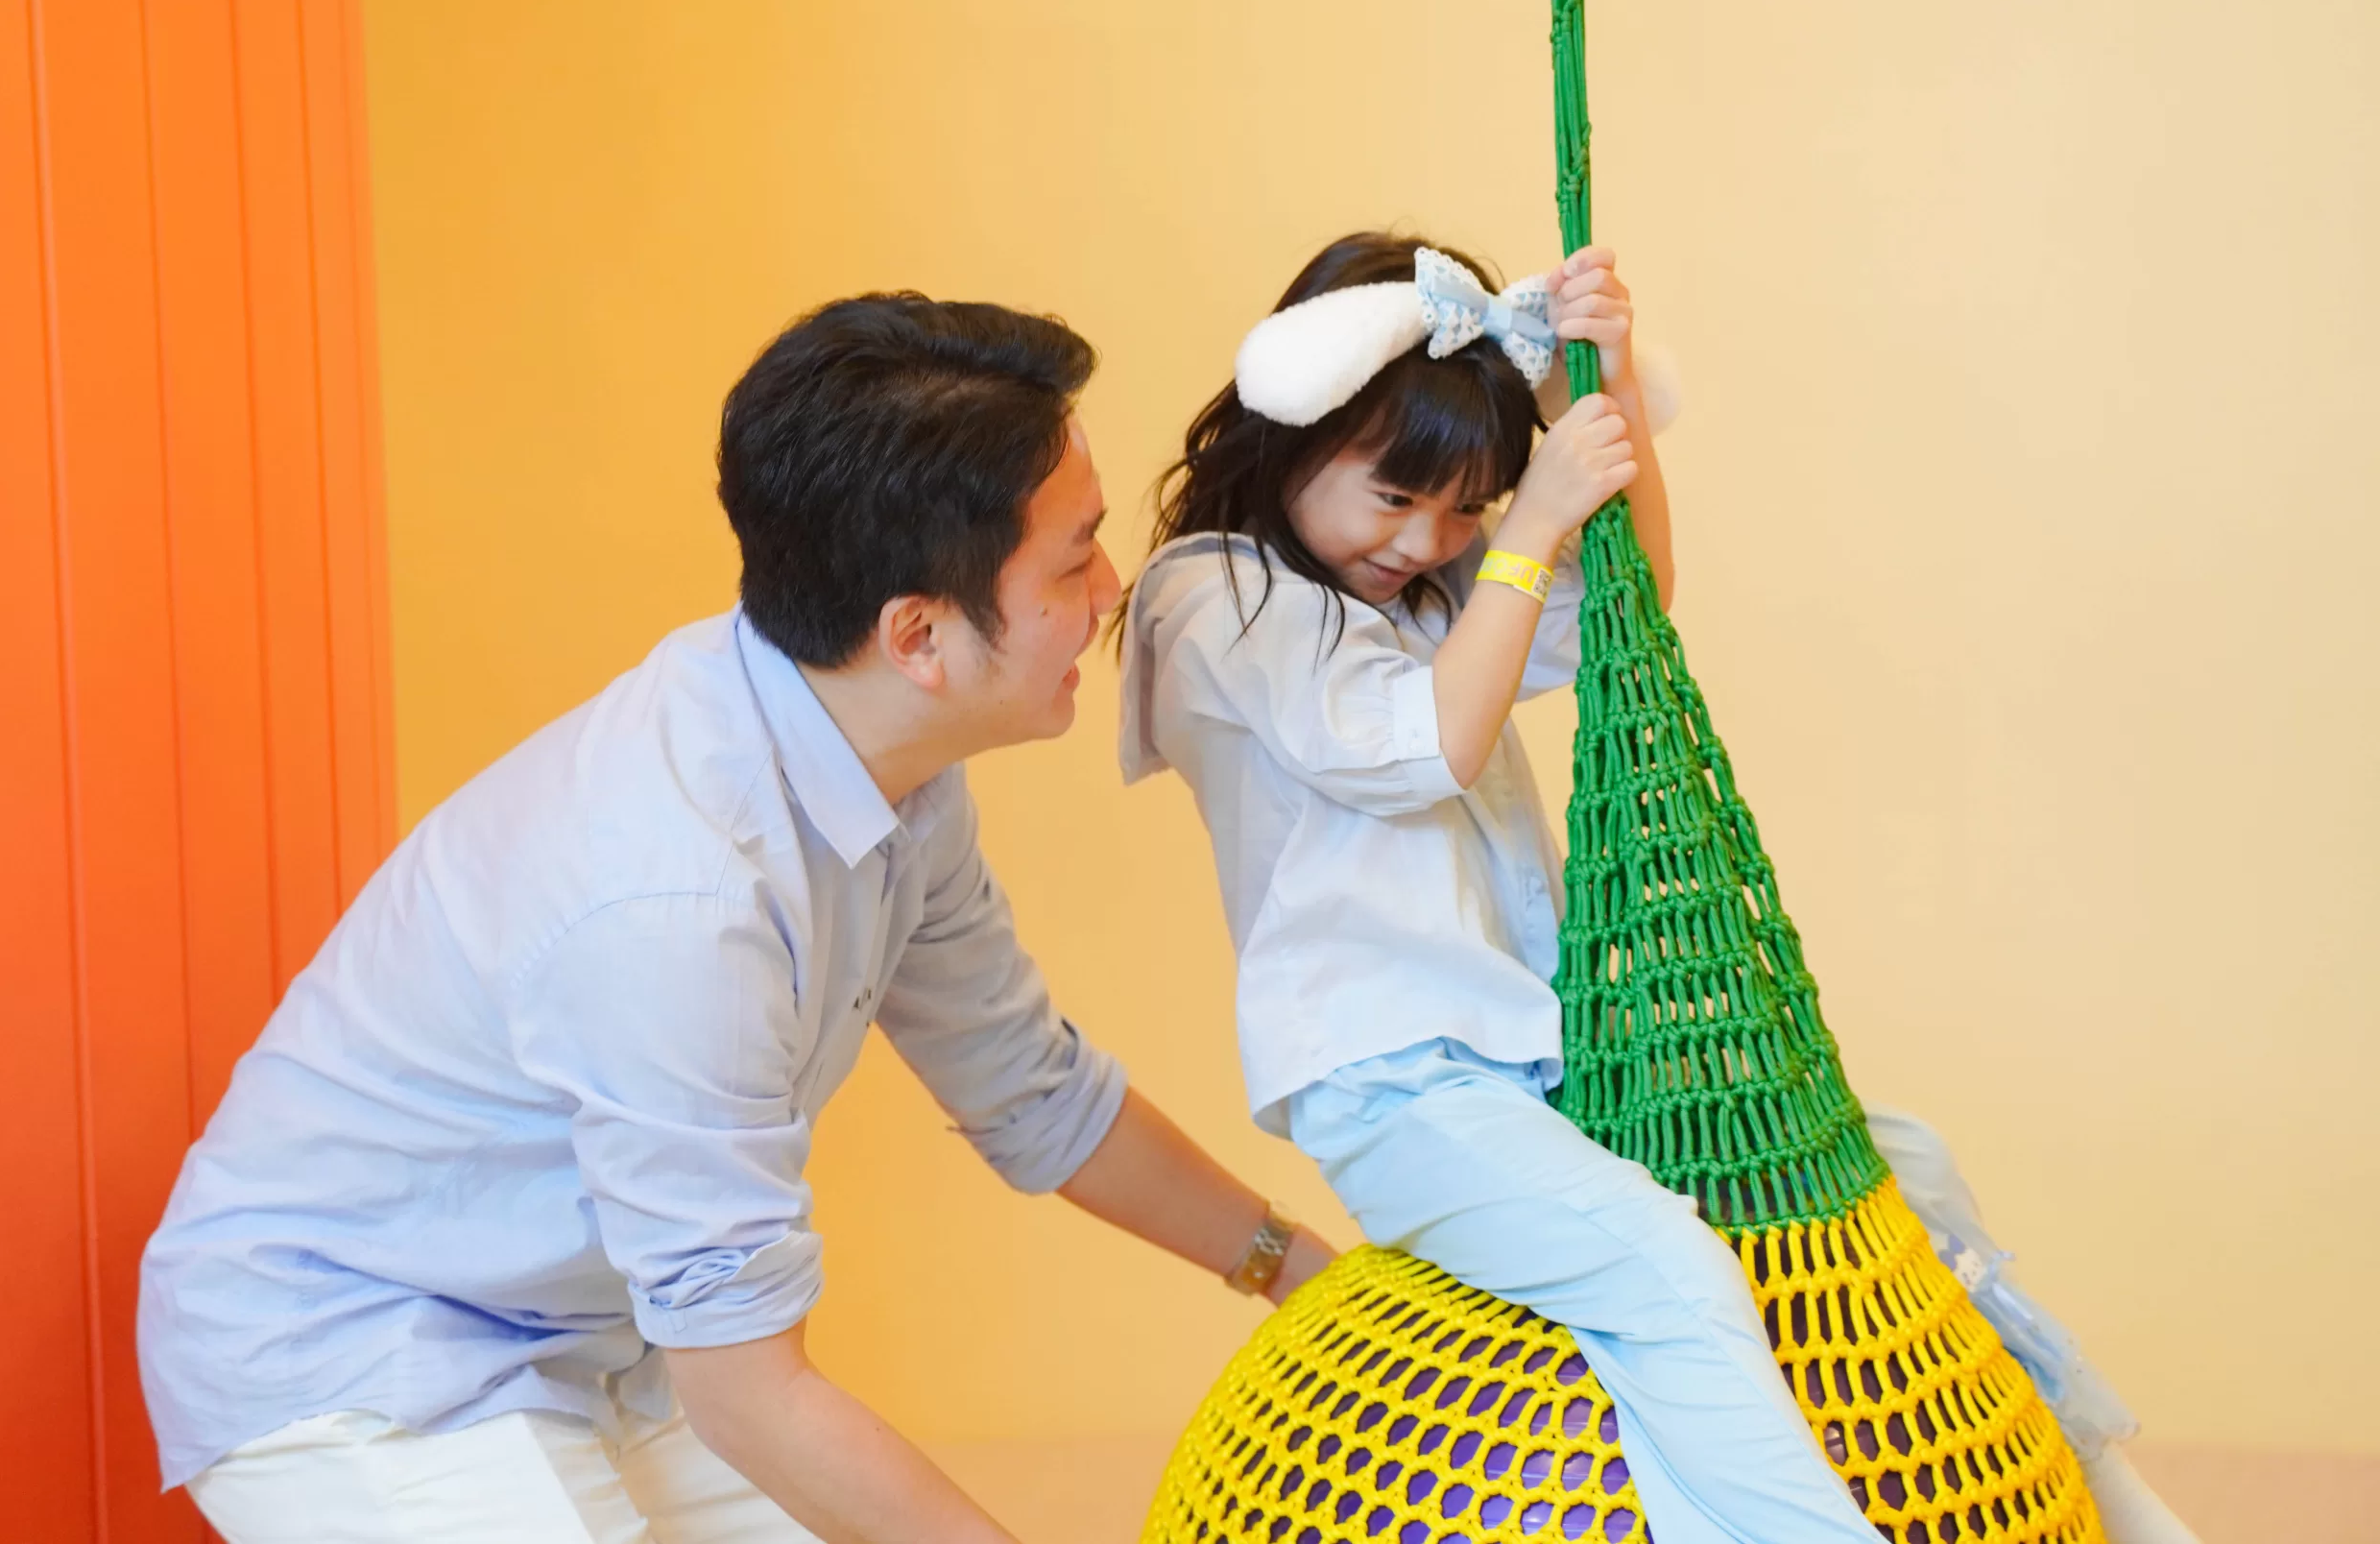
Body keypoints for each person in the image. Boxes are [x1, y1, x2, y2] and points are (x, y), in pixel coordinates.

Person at [138, 292, 1335, 1544]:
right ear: (919, 635)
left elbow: (1035, 1095)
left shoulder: (888, 768)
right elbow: (752, 1395)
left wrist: (1309, 1277)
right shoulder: (679, 901)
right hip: (350, 1349)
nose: (1111, 589)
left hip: (594, 1347)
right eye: (1073, 558)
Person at [1116, 231, 2196, 1543]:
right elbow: (1420, 749)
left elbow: (1634, 599)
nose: (1426, 538)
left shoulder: (1443, 586)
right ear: (1294, 433)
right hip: (1396, 1087)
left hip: (1547, 1054)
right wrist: (1527, 526)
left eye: (1463, 508)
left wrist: (1609, 388)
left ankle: (2100, 1490)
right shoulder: (1214, 596)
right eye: (1394, 496)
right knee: (1666, 1269)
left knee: (1892, 1162)